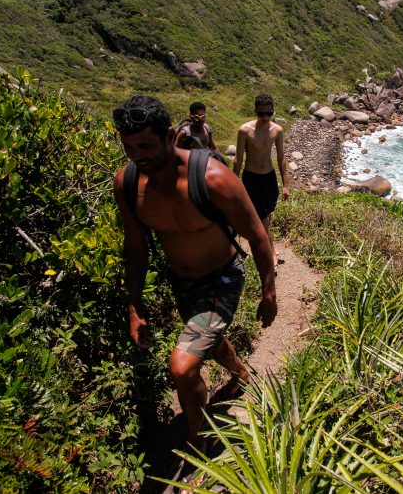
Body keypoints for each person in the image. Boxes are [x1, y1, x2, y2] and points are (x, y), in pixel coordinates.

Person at [111, 95, 277, 452]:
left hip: (222, 280)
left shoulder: (213, 178)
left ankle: (197, 445)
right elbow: (136, 248)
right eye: (128, 147)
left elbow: (258, 236)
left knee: (183, 367)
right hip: (181, 283)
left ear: (171, 135)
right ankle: (240, 375)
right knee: (210, 342)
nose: (137, 155)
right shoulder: (127, 183)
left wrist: (269, 292)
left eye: (145, 145)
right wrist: (134, 307)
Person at [233, 93, 289, 271]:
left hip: (269, 179)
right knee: (263, 219)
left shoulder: (277, 131)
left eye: (269, 113)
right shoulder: (244, 131)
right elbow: (238, 159)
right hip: (252, 179)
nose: (265, 118)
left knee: (266, 216)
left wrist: (286, 184)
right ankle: (270, 252)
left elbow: (281, 158)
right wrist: (233, 182)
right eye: (261, 114)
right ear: (255, 111)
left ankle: (261, 243)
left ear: (273, 111)